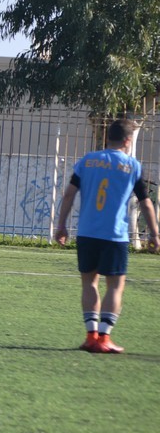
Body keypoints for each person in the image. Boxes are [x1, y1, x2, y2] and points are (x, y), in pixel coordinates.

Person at [54, 118, 160, 353]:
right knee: (115, 286)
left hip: (87, 233)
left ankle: (91, 335)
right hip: (115, 235)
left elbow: (69, 194)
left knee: (89, 283)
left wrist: (61, 225)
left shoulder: (87, 161)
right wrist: (154, 234)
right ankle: (104, 337)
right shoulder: (132, 166)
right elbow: (145, 202)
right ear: (127, 141)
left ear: (107, 138)